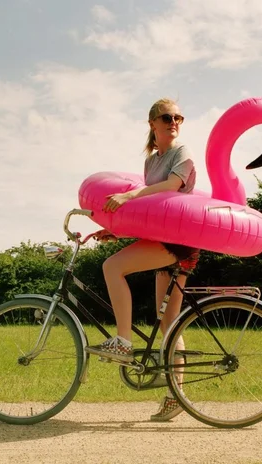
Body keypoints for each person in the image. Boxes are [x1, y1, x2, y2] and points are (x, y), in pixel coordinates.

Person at [84, 97, 199, 422]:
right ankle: (177, 396)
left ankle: (123, 341)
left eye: (178, 116)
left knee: (112, 267)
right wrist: (117, 233)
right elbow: (153, 214)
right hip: (160, 239)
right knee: (168, 325)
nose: (174, 121)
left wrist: (129, 195)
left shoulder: (182, 153)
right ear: (153, 123)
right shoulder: (150, 163)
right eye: (167, 117)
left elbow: (172, 188)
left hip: (178, 242)